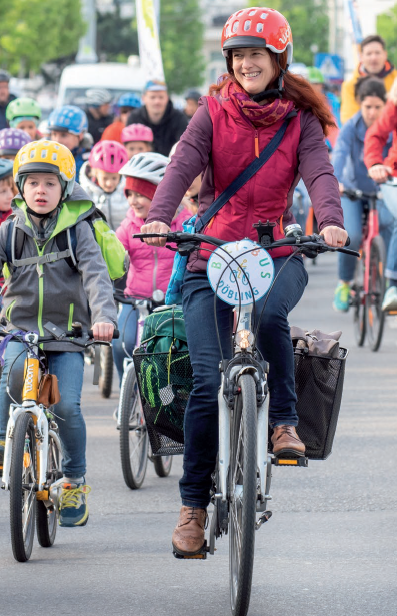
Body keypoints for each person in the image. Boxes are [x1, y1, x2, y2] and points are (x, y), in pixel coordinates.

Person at [139, 7, 347, 557]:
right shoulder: (210, 114)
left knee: (271, 314)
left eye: (257, 54)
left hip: (274, 249)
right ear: (229, 63)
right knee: (207, 380)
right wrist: (160, 217)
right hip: (211, 254)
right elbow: (182, 164)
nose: (246, 64)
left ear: (278, 60)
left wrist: (329, 221)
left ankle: (282, 422)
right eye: (238, 56)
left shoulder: (299, 121)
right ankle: (193, 507)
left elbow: (320, 172)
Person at [0, 140, 117, 527]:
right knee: (11, 380)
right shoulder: (9, 232)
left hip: (69, 337)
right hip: (21, 333)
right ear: (20, 189)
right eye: (32, 183)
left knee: (67, 407)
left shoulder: (78, 232)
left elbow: (96, 278)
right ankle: (7, 443)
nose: (41, 191)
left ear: (64, 189)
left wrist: (103, 317)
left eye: (50, 183)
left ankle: (74, 480)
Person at [111, 153, 189, 381]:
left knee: (172, 352)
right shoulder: (128, 225)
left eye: (141, 195)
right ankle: (127, 390)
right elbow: (113, 253)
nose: (133, 201)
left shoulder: (184, 222)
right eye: (130, 194)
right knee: (121, 345)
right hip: (136, 298)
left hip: (172, 300)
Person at [361, 78, 397, 310]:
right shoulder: (394, 103)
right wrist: (375, 163)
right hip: (393, 175)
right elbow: (376, 134)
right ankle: (393, 284)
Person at [341, 34, 396, 124]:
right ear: (361, 57)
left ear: (385, 54)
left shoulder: (395, 81)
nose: (373, 58)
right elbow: (349, 121)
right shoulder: (350, 86)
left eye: (377, 53)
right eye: (369, 54)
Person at [126, 80, 189, 156]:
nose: (157, 101)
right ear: (144, 98)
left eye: (161, 97)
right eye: (152, 97)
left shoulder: (179, 119)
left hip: (171, 165)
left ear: (167, 98)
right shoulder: (134, 118)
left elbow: (184, 149)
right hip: (141, 165)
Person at [79, 139, 129, 229]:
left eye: (114, 178)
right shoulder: (86, 192)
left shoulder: (127, 191)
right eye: (105, 178)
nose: (109, 183)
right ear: (95, 173)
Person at [47, 105, 90, 175]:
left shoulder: (91, 159)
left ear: (80, 135)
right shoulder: (44, 156)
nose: (57, 141)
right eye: (54, 134)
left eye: (64, 135)